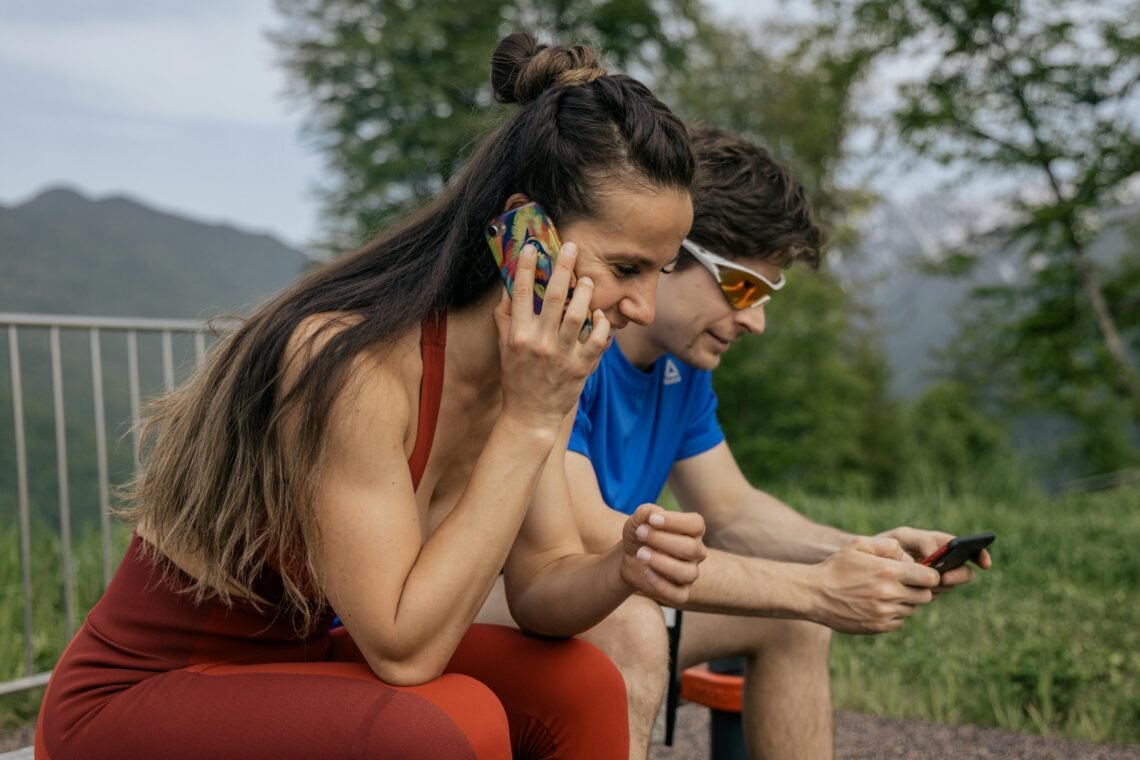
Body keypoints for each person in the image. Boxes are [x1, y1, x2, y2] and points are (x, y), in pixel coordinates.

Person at [34, 33, 709, 760]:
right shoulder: (349, 365)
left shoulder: (536, 367)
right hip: (139, 698)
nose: (642, 305)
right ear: (527, 234)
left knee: (582, 685)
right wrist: (528, 421)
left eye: (662, 272)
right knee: (445, 724)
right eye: (627, 267)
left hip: (300, 673)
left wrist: (620, 569)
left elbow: (540, 587)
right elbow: (401, 650)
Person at [479, 126, 993, 758]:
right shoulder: (564, 342)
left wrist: (860, 553)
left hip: (591, 593)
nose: (755, 321)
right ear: (669, 252)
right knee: (633, 620)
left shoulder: (684, 369)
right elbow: (589, 541)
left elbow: (730, 509)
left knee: (795, 625)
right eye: (744, 289)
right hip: (496, 599)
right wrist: (818, 588)